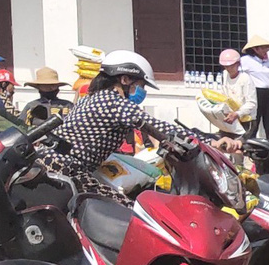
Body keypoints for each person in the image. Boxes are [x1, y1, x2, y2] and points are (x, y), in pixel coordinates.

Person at [47, 50, 198, 194]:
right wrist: (202, 140)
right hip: (68, 169)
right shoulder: (114, 102)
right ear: (125, 80)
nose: (142, 91)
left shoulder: (91, 98)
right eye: (141, 86)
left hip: (54, 163)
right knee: (124, 209)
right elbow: (157, 125)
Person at [208, 48, 257, 138]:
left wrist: (237, 114)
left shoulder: (245, 78)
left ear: (238, 64)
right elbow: (224, 94)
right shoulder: (225, 75)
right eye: (226, 66)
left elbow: (251, 102)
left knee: (240, 147)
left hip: (245, 119)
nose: (229, 69)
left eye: (231, 66)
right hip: (231, 118)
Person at [238, 37, 269, 138]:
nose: (265, 51)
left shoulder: (267, 62)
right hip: (255, 92)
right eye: (263, 48)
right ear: (255, 49)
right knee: (254, 123)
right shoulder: (245, 60)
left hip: (268, 93)